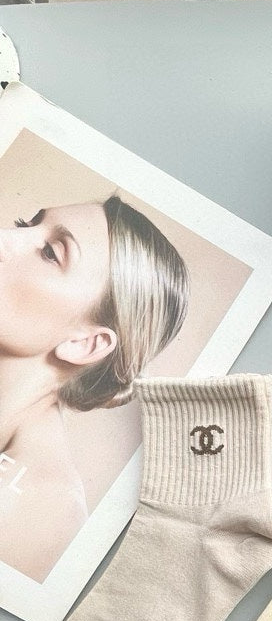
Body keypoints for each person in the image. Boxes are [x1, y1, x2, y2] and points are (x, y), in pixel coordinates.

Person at [0, 194, 188, 583]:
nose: (6, 237)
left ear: (85, 343)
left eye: (50, 253)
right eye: (25, 225)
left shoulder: (40, 506)